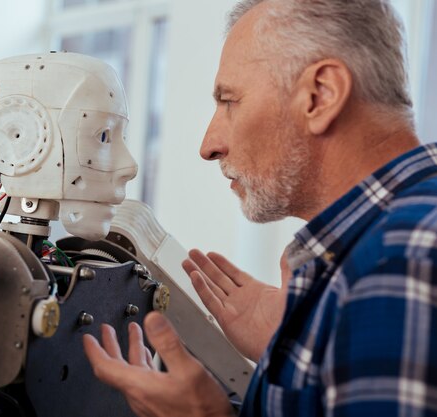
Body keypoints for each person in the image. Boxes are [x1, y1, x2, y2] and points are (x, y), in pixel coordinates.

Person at [83, 0, 437, 416]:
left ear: (320, 95)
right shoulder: (387, 248)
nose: (208, 145)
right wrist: (300, 359)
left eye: (229, 101)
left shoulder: (400, 262)